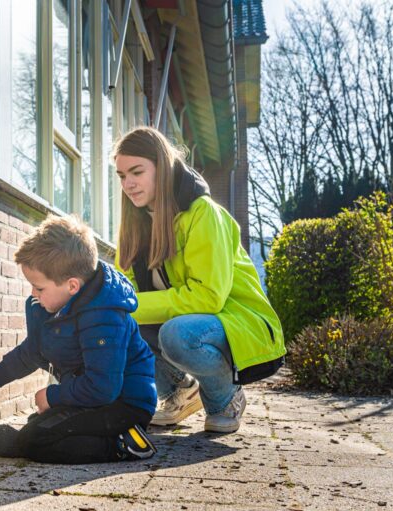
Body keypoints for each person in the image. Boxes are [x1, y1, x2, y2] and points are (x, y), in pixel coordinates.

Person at [112, 126, 285, 434]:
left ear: (161, 168)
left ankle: (225, 400)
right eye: (122, 176)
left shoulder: (203, 213)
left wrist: (126, 305)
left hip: (237, 323)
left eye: (136, 172)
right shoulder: (135, 225)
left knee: (176, 334)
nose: (128, 183)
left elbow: (208, 298)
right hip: (190, 324)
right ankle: (180, 392)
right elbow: (124, 290)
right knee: (115, 322)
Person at [0, 214, 158, 463]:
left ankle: (124, 443)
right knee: (40, 425)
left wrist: (52, 396)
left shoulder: (103, 317)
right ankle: (32, 438)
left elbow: (103, 387)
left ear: (72, 286)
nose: (33, 294)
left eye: (39, 288)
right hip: (93, 398)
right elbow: (32, 351)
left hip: (124, 404)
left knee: (41, 437)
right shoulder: (49, 306)